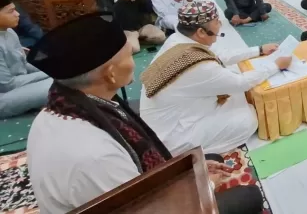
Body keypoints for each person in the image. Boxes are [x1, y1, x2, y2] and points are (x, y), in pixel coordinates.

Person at [26, 12, 265, 214]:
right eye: (130, 55)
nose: (135, 60)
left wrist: (189, 176)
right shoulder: (96, 157)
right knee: (248, 197)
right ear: (110, 74)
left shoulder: (66, 105)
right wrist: (203, 187)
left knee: (208, 159)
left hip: (124, 193)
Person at [141, 0, 289, 155]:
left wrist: (259, 50)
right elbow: (240, 83)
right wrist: (275, 65)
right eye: (217, 22)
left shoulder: (177, 40)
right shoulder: (197, 63)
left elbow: (221, 55)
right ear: (201, 32)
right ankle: (186, 156)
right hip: (171, 135)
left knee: (233, 84)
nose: (220, 24)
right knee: (248, 119)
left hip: (169, 115)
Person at [0, 0, 52, 119]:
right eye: (11, 11)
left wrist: (54, 69)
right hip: (4, 97)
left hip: (19, 86)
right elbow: (7, 85)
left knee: (66, 76)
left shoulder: (10, 32)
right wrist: (49, 74)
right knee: (59, 85)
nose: (17, 14)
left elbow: (24, 64)